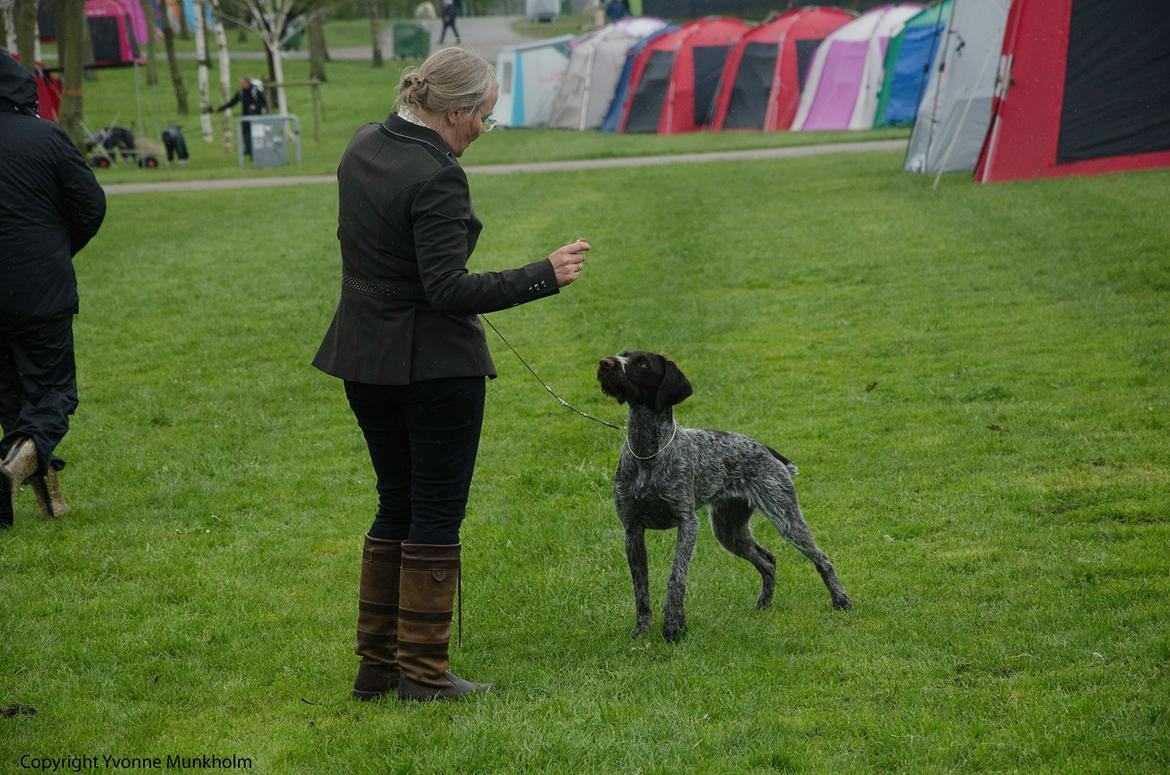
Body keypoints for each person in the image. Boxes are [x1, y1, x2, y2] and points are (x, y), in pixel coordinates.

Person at [312, 47, 589, 702]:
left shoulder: (362, 146)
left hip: (363, 356)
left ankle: (378, 665)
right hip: (431, 368)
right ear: (455, 112)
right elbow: (447, 289)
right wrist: (543, 274)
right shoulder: (437, 176)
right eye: (485, 119)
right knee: (434, 509)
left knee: (395, 500)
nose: (484, 132)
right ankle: (424, 674)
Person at [0, 49, 106, 529]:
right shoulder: (46, 137)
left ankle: (49, 501)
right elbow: (90, 206)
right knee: (52, 393)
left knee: (11, 397)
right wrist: (57, 251)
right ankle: (13, 470)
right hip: (41, 288)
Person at [212, 76, 267, 158]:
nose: (241, 85)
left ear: (247, 83)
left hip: (255, 117)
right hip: (245, 117)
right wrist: (220, 109)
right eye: (240, 83)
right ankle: (250, 151)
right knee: (245, 134)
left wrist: (255, 106)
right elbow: (232, 102)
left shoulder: (255, 91)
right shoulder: (240, 92)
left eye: (242, 83)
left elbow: (263, 103)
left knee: (253, 135)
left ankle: (252, 152)